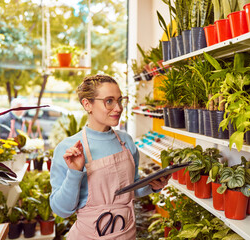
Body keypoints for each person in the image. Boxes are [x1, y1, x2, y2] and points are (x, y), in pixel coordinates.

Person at [50, 75, 170, 239]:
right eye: (109, 101)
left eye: (120, 100)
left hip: (126, 234)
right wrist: (74, 173)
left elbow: (130, 189)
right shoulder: (69, 149)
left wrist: (153, 185)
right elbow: (61, 210)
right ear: (87, 104)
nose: (118, 108)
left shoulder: (126, 141)